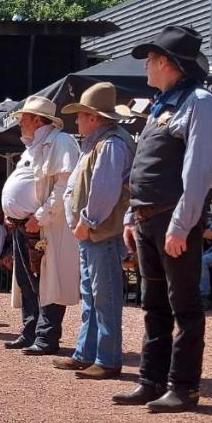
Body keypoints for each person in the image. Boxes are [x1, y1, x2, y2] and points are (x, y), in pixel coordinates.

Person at [112, 25, 212, 413]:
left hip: (173, 221)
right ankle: (150, 380)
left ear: (166, 63)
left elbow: (199, 170)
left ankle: (184, 386)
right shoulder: (162, 104)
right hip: (146, 220)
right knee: (153, 302)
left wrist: (182, 223)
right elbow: (144, 169)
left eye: (150, 59)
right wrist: (130, 216)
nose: (145, 66)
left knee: (184, 305)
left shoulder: (200, 102)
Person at [52, 83, 136, 380]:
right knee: (92, 295)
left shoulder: (111, 144)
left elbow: (104, 189)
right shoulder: (102, 142)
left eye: (81, 115)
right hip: (92, 232)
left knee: (104, 297)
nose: (77, 121)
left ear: (94, 117)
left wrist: (87, 221)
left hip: (99, 232)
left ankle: (107, 359)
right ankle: (87, 354)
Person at [0, 96, 81, 354]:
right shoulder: (33, 146)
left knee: (49, 281)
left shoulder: (61, 142)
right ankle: (30, 331)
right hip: (24, 225)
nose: (20, 122)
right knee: (28, 280)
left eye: (23, 117)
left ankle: (46, 338)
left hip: (46, 227)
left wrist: (40, 216)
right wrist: (11, 211)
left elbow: (64, 187)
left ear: (37, 119)